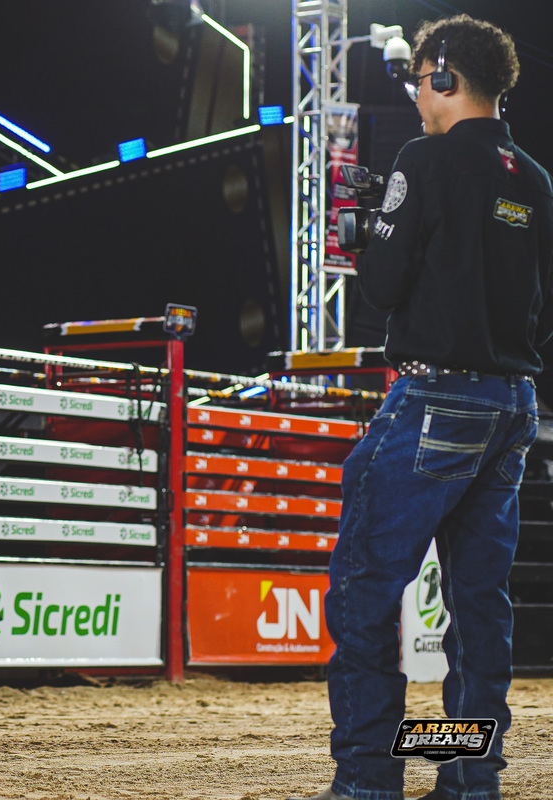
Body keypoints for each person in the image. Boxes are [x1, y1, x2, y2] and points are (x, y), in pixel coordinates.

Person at [290, 15, 553, 800]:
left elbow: (380, 286)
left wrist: (368, 237)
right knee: (478, 610)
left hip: (435, 399)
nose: (415, 95)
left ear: (444, 76)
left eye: (419, 81)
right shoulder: (535, 180)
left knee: (364, 593)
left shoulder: (424, 160)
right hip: (512, 403)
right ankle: (468, 780)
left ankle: (370, 780)